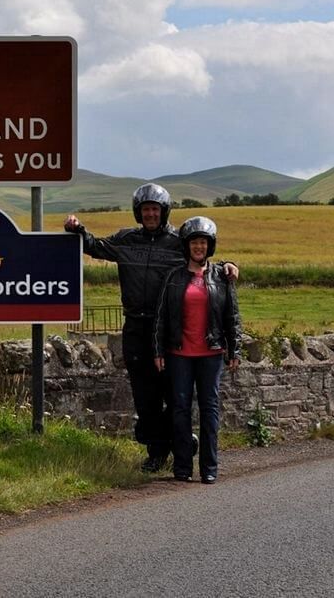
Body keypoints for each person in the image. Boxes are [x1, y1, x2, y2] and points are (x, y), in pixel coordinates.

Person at [64, 184, 238, 473]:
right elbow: (96, 247)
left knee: (175, 394)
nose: (150, 214)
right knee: (145, 397)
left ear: (164, 211)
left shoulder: (176, 241)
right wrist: (77, 230)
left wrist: (227, 265)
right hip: (135, 326)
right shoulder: (126, 239)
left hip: (169, 328)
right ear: (138, 212)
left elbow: (201, 257)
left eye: (155, 209)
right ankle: (157, 450)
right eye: (145, 209)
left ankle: (179, 442)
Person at [153, 216, 242, 484]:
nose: (199, 247)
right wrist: (158, 350)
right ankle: (182, 467)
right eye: (194, 242)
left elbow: (232, 316)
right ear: (187, 246)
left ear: (210, 246)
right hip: (179, 354)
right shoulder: (173, 277)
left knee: (209, 410)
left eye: (203, 242)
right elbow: (161, 317)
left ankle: (209, 467)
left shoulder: (222, 277)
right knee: (179, 410)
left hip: (211, 354)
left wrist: (234, 349)